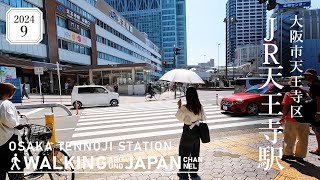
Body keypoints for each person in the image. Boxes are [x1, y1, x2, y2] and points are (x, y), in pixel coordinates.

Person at [175, 87, 204, 180]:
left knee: (184, 153)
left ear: (187, 96)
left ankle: (183, 174)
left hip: (188, 131)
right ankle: (193, 173)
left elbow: (178, 117)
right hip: (197, 131)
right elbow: (202, 117)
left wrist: (179, 106)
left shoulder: (185, 107)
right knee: (195, 153)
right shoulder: (199, 106)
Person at [281, 77, 310, 162]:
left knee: (289, 137)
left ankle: (288, 154)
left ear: (291, 84)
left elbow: (285, 107)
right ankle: (300, 156)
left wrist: (283, 117)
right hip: (304, 119)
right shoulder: (306, 94)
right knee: (303, 138)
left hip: (291, 118)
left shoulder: (288, 94)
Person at [0, 82, 25, 179]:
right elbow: (7, 119)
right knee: (14, 166)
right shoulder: (6, 103)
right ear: (7, 93)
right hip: (8, 140)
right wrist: (17, 125)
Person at [302, 69, 320, 156]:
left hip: (317, 111)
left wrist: (318, 113)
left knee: (317, 130)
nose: (305, 77)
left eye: (307, 75)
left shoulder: (316, 85)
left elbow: (318, 99)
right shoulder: (316, 84)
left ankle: (319, 149)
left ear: (312, 76)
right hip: (316, 110)